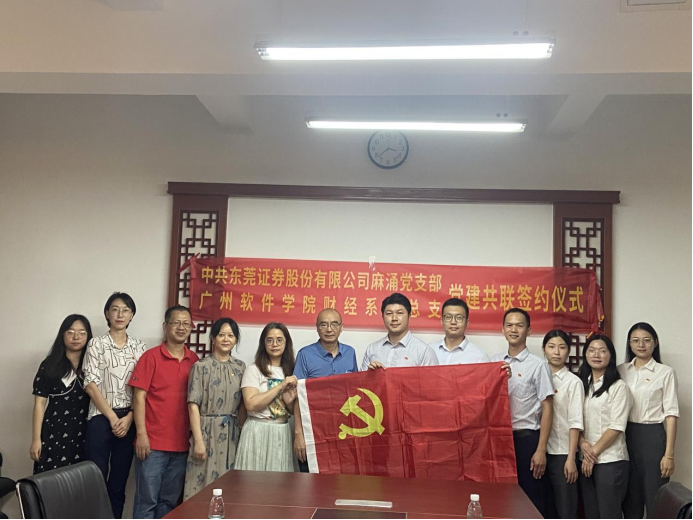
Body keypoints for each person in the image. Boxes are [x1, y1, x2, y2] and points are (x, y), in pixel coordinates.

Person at [129, 305, 198, 519]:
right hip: (152, 445)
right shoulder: (150, 357)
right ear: (165, 326)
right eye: (176, 323)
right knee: (146, 502)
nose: (181, 327)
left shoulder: (194, 360)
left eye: (186, 324)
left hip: (181, 445)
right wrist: (141, 434)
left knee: (169, 503)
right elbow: (138, 397)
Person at [84, 292, 147, 519]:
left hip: (129, 418)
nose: (120, 314)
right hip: (101, 417)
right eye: (115, 309)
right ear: (107, 314)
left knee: (118, 483)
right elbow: (90, 384)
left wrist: (130, 417)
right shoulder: (96, 344)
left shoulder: (140, 347)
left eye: (126, 310)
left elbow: (143, 388)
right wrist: (112, 417)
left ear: (132, 316)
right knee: (96, 479)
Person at [490, 308, 554, 518]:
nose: (514, 329)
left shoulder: (538, 365)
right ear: (502, 330)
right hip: (499, 440)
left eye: (519, 325)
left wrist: (541, 450)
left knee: (530, 497)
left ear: (529, 330)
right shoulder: (494, 362)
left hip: (527, 440)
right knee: (502, 496)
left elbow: (548, 407)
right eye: (509, 325)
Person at [618, 323, 679, 519]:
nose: (641, 345)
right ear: (629, 344)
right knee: (630, 498)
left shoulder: (665, 372)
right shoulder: (621, 370)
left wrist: (669, 454)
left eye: (646, 340)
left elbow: (671, 414)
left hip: (652, 437)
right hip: (624, 435)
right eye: (635, 340)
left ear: (655, 342)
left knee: (655, 497)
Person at [184, 317, 247, 500]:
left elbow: (242, 406)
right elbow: (193, 405)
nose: (226, 339)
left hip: (231, 434)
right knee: (199, 484)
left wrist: (242, 434)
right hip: (205, 431)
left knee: (229, 486)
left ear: (236, 339)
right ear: (213, 338)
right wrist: (198, 440)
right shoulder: (200, 366)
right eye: (221, 335)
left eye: (230, 335)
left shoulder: (240, 367)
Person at [293, 308, 358, 472]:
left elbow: (355, 392)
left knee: (342, 478)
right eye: (324, 325)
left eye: (334, 324)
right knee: (311, 479)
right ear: (317, 327)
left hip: (343, 430)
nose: (329, 329)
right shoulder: (305, 354)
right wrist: (298, 434)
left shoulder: (350, 353)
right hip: (313, 430)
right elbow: (297, 396)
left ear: (342, 327)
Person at [578, 333, 632, 520]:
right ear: (585, 354)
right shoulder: (581, 384)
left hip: (611, 460)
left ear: (611, 356)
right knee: (591, 513)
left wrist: (592, 454)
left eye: (602, 351)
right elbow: (574, 420)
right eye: (591, 350)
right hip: (584, 458)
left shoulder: (619, 387)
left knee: (609, 514)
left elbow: (616, 426)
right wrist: (582, 443)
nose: (596, 355)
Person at [30, 314, 93, 474]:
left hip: (86, 432)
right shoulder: (50, 364)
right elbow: (39, 404)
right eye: (70, 332)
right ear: (62, 335)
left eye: (82, 333)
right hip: (54, 432)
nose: (76, 337)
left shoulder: (93, 364)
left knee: (80, 480)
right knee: (51, 480)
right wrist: (36, 439)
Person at [234, 322, 297, 472]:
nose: (274, 344)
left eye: (279, 340)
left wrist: (289, 402)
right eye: (269, 340)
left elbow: (293, 410)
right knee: (253, 480)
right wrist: (280, 386)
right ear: (263, 344)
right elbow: (250, 404)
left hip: (281, 431)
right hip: (257, 430)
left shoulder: (292, 370)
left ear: (286, 343)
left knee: (279, 480)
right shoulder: (254, 370)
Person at [542, 330, 584, 520]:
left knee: (566, 509)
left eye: (562, 347)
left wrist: (571, 458)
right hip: (540, 452)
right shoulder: (538, 376)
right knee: (544, 508)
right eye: (551, 347)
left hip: (562, 454)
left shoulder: (573, 382)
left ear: (568, 350)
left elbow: (576, 422)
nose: (556, 352)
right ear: (544, 349)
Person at [429, 297, 511, 377]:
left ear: (467, 322)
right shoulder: (429, 350)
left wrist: (502, 375)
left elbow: (486, 384)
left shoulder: (479, 357)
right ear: (442, 321)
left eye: (459, 318)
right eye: (448, 317)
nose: (453, 322)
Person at [361, 293, 438, 370]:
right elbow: (361, 378)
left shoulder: (424, 351)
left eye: (400, 313)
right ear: (383, 317)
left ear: (409, 316)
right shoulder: (372, 349)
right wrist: (370, 374)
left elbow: (432, 378)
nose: (394, 318)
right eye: (389, 313)